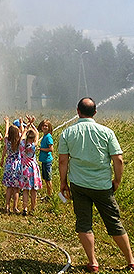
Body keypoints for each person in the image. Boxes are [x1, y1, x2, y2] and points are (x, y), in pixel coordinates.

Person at [59, 97, 134, 272]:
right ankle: (130, 260)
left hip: (79, 185)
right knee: (114, 222)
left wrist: (63, 183)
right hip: (102, 186)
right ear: (95, 112)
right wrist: (117, 180)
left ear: (77, 111)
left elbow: (63, 161)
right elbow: (119, 160)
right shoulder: (107, 132)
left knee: (84, 224)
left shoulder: (68, 133)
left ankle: (92, 262)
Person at [19, 116, 42, 216]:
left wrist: (27, 126)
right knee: (33, 190)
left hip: (24, 168)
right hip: (33, 169)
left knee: (25, 190)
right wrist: (32, 123)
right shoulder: (32, 146)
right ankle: (33, 208)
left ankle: (25, 208)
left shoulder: (22, 144)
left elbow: (23, 135)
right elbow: (37, 133)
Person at [1, 116, 22, 213]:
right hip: (17, 165)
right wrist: (23, 124)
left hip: (9, 164)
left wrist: (7, 122)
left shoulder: (7, 140)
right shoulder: (19, 141)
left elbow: (6, 133)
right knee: (16, 188)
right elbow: (23, 133)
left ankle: (7, 206)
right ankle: (15, 207)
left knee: (9, 187)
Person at [38, 118, 54, 199]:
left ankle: (50, 196)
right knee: (45, 178)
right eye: (43, 126)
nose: (44, 127)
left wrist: (41, 149)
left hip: (47, 160)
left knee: (48, 179)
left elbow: (51, 149)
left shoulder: (48, 137)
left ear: (49, 127)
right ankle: (48, 194)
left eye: (46, 126)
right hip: (44, 160)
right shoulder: (44, 136)